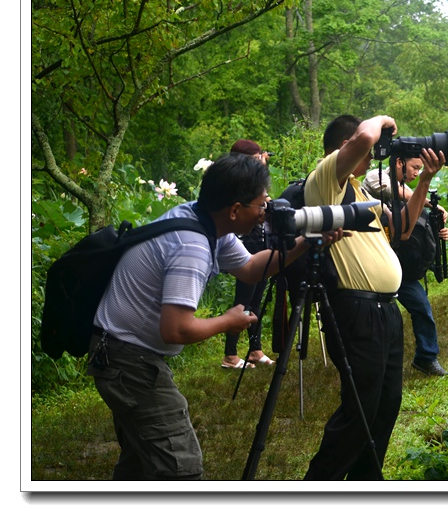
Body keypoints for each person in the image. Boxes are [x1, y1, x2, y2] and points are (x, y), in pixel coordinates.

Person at [87, 153, 339, 480]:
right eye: (261, 205)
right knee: (181, 467)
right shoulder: (191, 245)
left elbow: (249, 269)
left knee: (141, 461)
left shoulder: (201, 219)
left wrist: (305, 242)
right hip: (128, 361)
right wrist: (227, 322)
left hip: (119, 352)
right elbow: (176, 329)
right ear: (235, 210)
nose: (266, 213)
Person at [303, 114, 444, 480]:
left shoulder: (359, 191)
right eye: (366, 150)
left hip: (385, 310)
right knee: (360, 408)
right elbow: (365, 137)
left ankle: (365, 483)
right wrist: (383, 120)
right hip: (354, 307)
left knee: (386, 404)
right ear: (343, 149)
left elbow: (403, 227)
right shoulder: (326, 180)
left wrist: (425, 178)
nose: (373, 156)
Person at [362, 155, 448, 377]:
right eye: (415, 167)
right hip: (374, 265)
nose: (417, 174)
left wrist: (439, 229)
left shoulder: (413, 195)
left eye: (421, 170)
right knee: (375, 318)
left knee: (422, 309)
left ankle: (426, 358)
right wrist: (427, 199)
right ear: (399, 162)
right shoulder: (376, 177)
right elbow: (400, 191)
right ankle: (369, 364)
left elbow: (416, 226)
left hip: (403, 269)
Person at [221, 139, 275, 369]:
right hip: (244, 246)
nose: (259, 163)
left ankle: (255, 349)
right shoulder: (237, 183)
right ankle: (230, 355)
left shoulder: (254, 181)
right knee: (243, 301)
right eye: (254, 159)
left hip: (260, 243)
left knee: (256, 301)